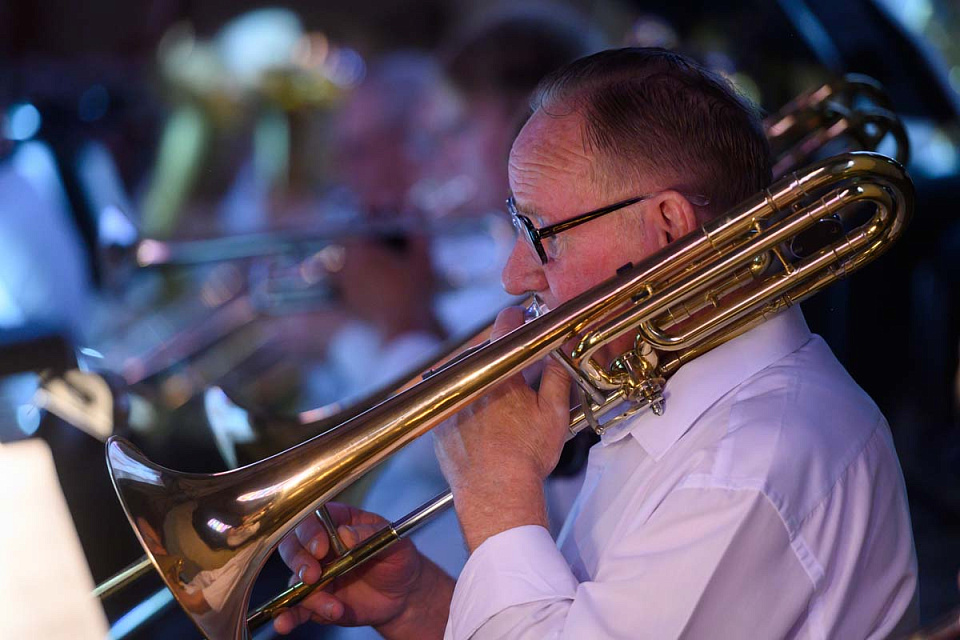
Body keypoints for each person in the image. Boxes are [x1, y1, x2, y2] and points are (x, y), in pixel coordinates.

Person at [274, 48, 918, 639]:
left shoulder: (746, 467)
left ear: (667, 227)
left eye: (542, 235)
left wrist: (498, 493)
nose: (514, 276)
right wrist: (419, 603)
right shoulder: (665, 397)